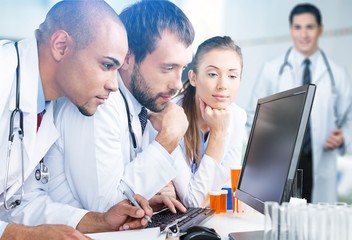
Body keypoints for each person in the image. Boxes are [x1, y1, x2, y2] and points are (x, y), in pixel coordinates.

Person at [0, 1, 155, 239]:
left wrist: (101, 221)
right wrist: (19, 235)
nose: (114, 85)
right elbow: (15, 225)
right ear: (61, 46)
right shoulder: (4, 74)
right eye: (106, 65)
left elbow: (20, 204)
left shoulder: (48, 103)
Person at [44, 0, 194, 214]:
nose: (177, 84)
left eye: (182, 68)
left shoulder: (142, 107)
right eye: (168, 68)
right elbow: (108, 210)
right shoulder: (98, 101)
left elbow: (124, 186)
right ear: (127, 58)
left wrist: (148, 197)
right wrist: (167, 140)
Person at [246, 3, 352, 203]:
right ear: (291, 29)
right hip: (280, 162)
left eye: (310, 27)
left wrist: (343, 136)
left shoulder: (336, 74)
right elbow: (253, 116)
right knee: (281, 222)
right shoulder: (272, 70)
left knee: (315, 226)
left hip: (319, 162)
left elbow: (349, 118)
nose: (303, 34)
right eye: (298, 27)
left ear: (320, 29)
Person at [170, 36, 247, 207]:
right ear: (193, 78)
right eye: (213, 74)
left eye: (232, 76)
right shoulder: (172, 116)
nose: (223, 85)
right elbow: (193, 202)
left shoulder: (237, 116)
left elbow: (228, 191)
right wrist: (218, 135)